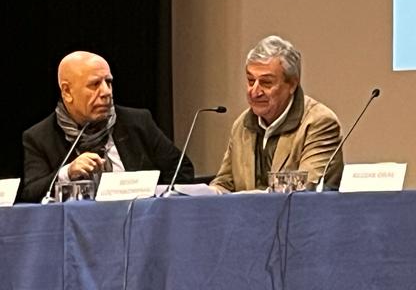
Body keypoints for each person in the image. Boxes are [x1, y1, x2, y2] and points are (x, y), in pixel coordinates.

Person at [20, 51, 192, 202]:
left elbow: (181, 170)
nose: (106, 92)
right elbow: (30, 192)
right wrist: (67, 173)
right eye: (94, 84)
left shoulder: (137, 122)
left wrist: (155, 200)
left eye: (108, 82)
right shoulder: (39, 137)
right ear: (67, 91)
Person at [209, 35, 343, 192]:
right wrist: (204, 194)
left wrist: (250, 197)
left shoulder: (319, 122)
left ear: (292, 84)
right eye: (251, 81)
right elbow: (225, 183)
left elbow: (304, 186)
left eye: (266, 82)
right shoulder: (242, 125)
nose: (255, 92)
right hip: (247, 209)